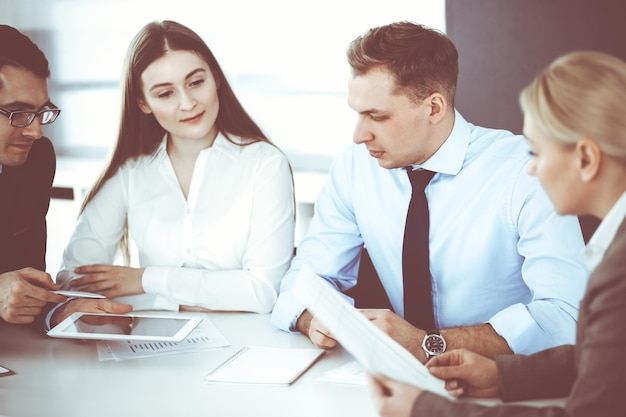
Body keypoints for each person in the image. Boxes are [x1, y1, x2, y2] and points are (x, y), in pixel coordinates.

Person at [271, 21, 588, 362]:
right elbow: (306, 278)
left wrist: (429, 343)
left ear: (434, 108)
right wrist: (312, 317)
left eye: (376, 116)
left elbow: (566, 316)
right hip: (398, 378)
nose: (359, 134)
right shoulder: (354, 168)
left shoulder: (525, 173)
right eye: (357, 113)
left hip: (507, 381)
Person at [369, 50, 626, 417]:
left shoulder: (620, 274)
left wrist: (427, 409)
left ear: (585, 159)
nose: (532, 170)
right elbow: (613, 362)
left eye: (536, 152)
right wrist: (505, 376)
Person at [53, 20, 294, 317]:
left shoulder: (265, 164)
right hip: (151, 345)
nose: (188, 103)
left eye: (195, 82)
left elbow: (263, 292)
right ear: (143, 103)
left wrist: (144, 280)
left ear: (216, 79)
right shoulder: (130, 171)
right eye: (165, 93)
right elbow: (73, 282)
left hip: (254, 347)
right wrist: (195, 295)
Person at [0, 25, 130, 326]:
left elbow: (27, 285)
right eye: (18, 113)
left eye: (41, 111)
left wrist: (61, 311)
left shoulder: (36, 160)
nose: (36, 131)